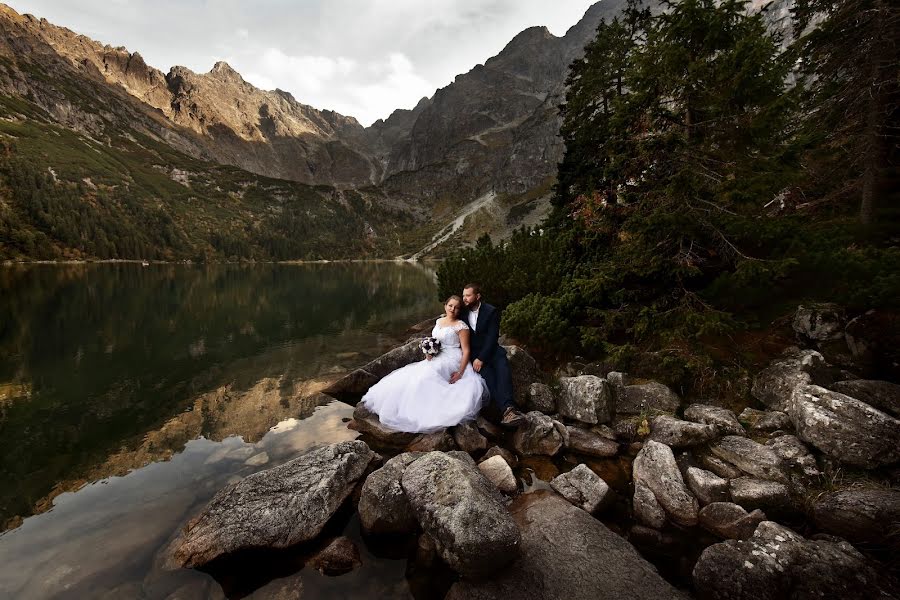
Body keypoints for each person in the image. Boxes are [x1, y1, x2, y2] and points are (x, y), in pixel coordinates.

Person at [358, 295, 488, 433]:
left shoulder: (461, 326)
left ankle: (422, 413)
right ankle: (404, 409)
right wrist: (429, 352)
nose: (453, 309)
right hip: (438, 356)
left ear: (459, 310)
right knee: (412, 376)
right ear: (445, 306)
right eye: (450, 306)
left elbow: (466, 351)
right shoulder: (439, 321)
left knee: (426, 376)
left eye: (456, 308)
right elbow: (435, 340)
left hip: (453, 357)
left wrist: (460, 373)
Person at [461, 283, 525, 427]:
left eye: (468, 295)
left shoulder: (491, 311)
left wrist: (481, 358)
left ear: (477, 296)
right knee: (489, 379)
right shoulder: (462, 313)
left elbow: (492, 337)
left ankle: (509, 409)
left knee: (503, 371)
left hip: (492, 352)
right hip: (474, 355)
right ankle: (507, 411)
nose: (464, 298)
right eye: (463, 295)